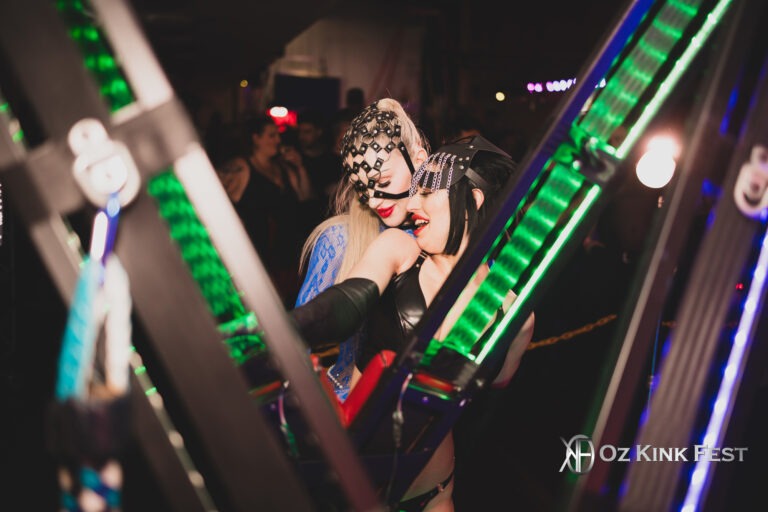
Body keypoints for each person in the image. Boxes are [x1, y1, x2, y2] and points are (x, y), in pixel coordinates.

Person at [290, 135, 536, 511]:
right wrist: (281, 329)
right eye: (414, 191)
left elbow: (489, 399)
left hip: (432, 496)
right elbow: (344, 305)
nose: (412, 204)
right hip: (349, 486)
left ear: (473, 199)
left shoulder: (516, 316)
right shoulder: (401, 250)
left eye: (428, 191)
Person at [294, 98, 430, 400]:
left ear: (419, 160)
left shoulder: (440, 237)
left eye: (383, 181)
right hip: (347, 408)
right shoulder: (339, 239)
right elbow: (297, 346)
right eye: (362, 187)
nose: (374, 200)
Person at [216, 113, 316, 307]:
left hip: (286, 254)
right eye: (271, 135)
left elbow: (305, 197)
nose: (278, 140)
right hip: (256, 254)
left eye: (277, 135)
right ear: (256, 138)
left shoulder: (282, 167)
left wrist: (300, 167)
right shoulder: (242, 167)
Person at [296, 108, 343, 215]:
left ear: (319, 132)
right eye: (299, 132)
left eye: (307, 132)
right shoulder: (295, 158)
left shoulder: (331, 158)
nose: (301, 136)